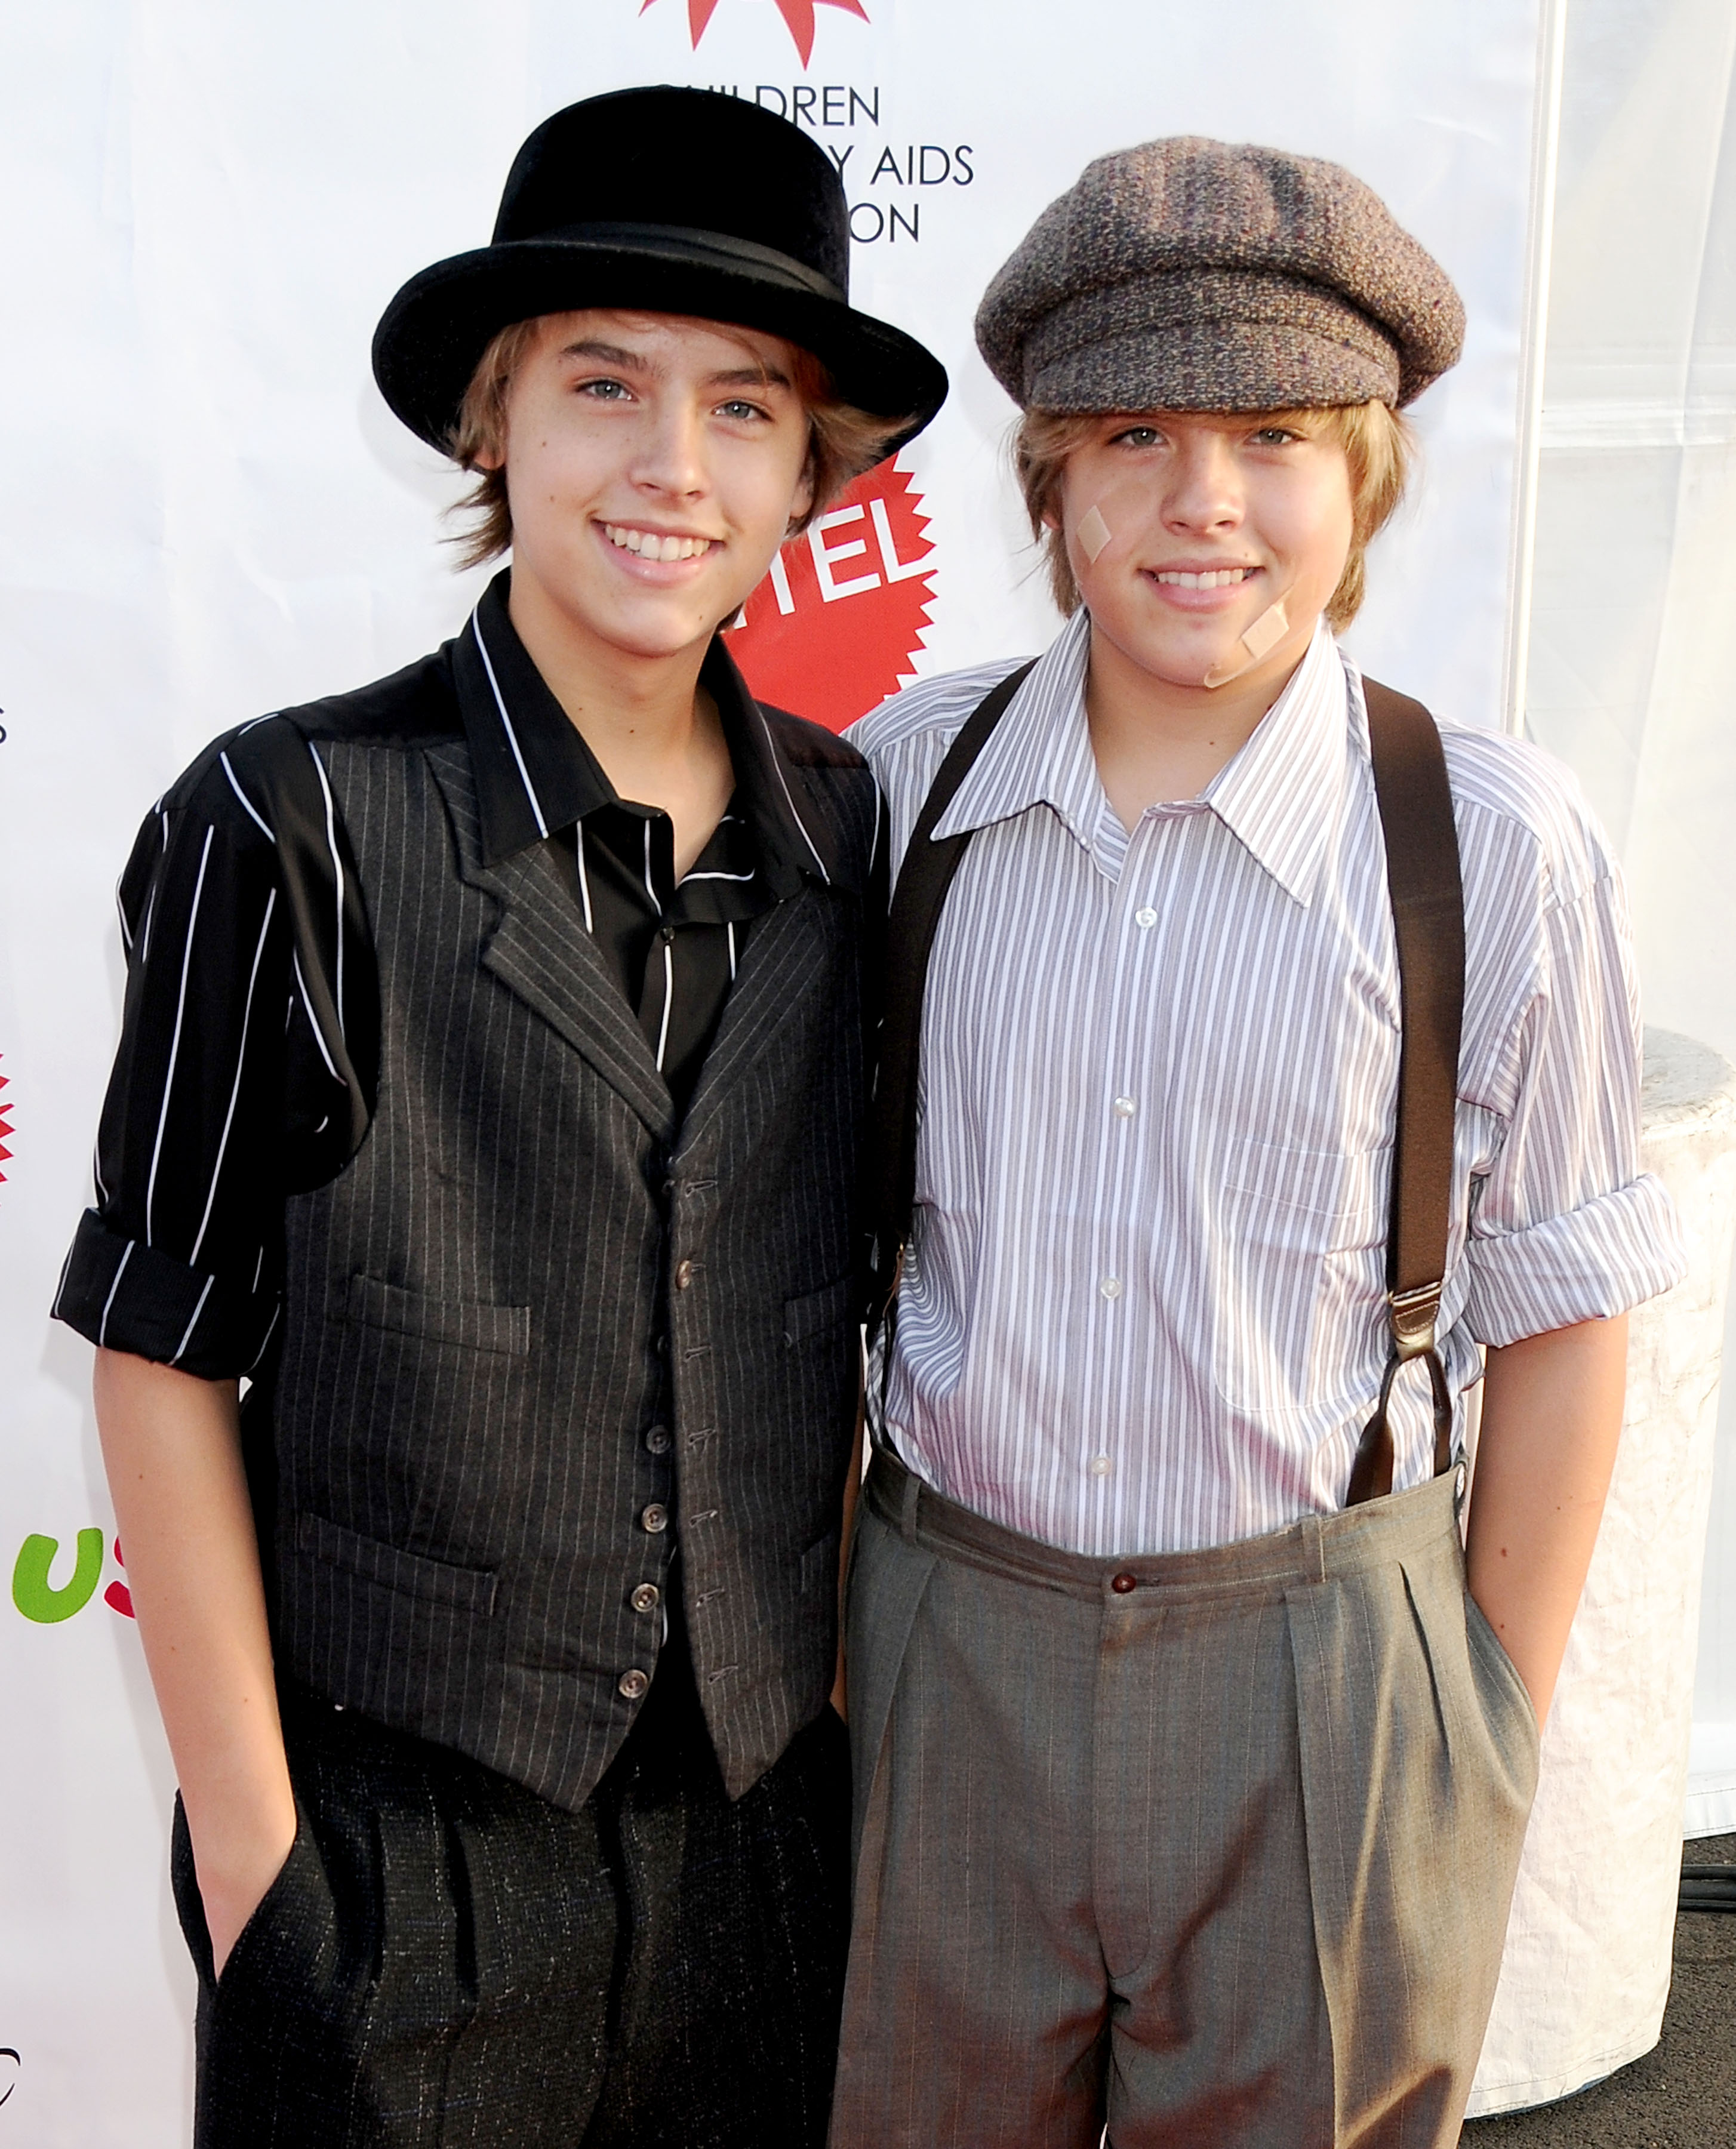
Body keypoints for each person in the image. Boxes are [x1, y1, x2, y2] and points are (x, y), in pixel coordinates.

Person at [51, 85, 944, 2149]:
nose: (669, 464)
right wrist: (265, 1865)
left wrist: (807, 1725)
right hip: (390, 1854)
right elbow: (156, 1347)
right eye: (603, 385)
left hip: (758, 1855)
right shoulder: (286, 824)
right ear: (488, 422)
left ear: (808, 475)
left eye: (742, 408)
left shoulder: (847, 828)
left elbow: (832, 1298)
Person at [830, 137, 1683, 2149]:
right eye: (1134, 431)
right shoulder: (886, 795)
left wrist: (1476, 1716)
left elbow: (1561, 1312)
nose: (1202, 500)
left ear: (1364, 476)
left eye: (1275, 434)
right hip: (949, 1633)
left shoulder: (1489, 837)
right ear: (1047, 478)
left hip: (1330, 1662)